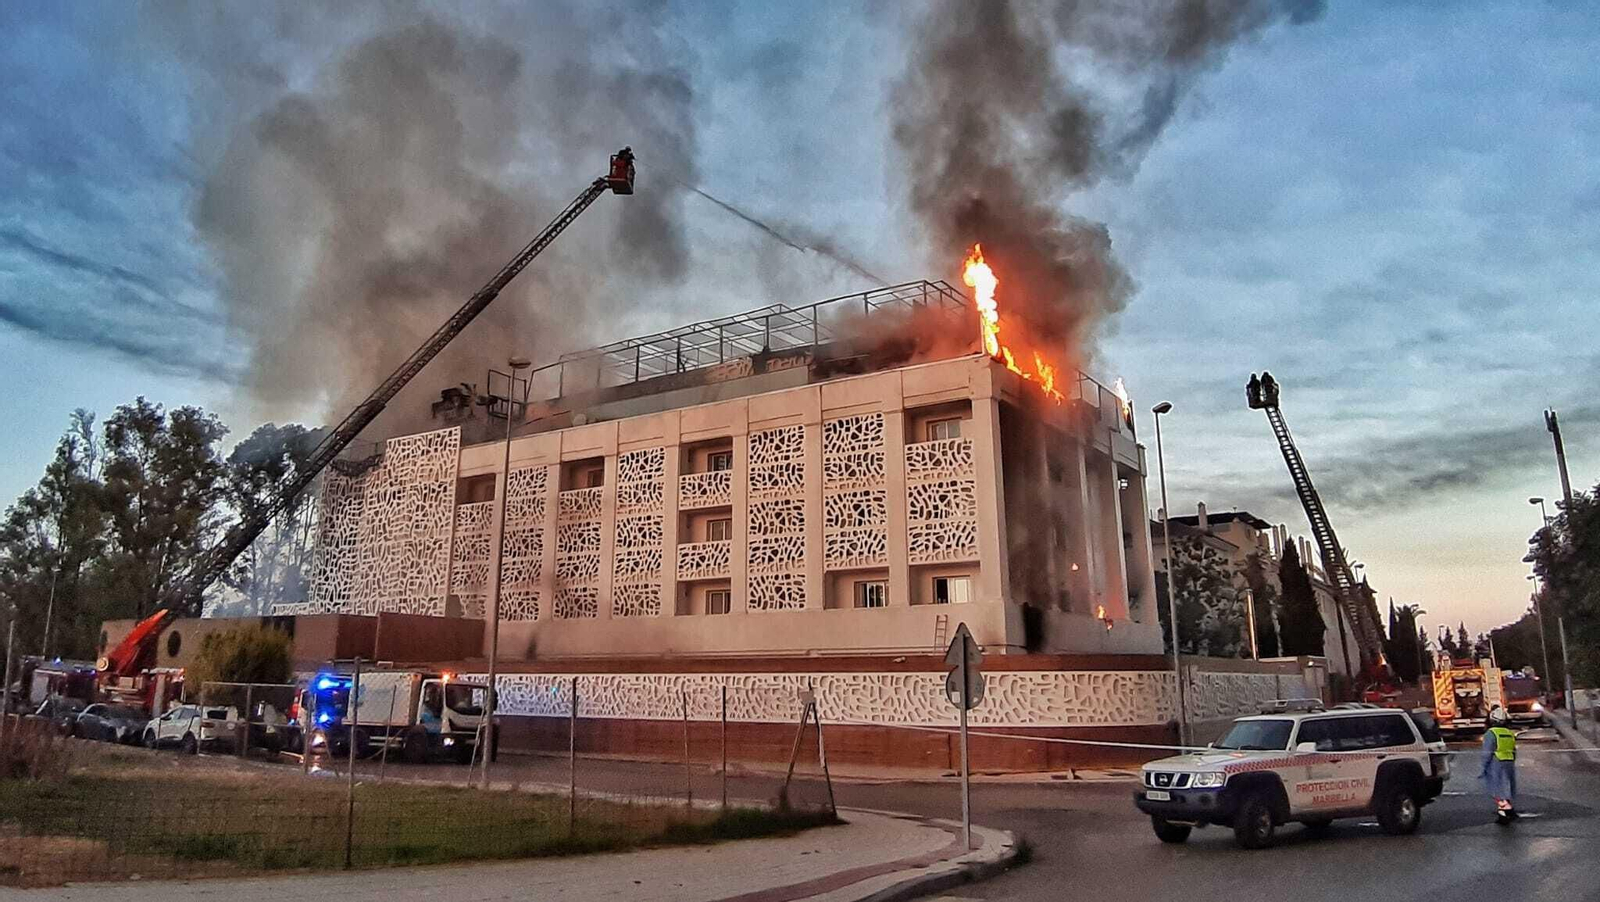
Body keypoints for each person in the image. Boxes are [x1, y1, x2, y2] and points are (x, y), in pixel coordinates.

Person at [1481, 706, 1518, 825]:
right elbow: (1513, 749)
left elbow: (1487, 751)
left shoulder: (1491, 733)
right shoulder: (1509, 733)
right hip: (1509, 762)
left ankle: (1503, 814)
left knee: (1497, 788)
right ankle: (1509, 810)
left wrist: (1483, 767)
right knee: (1506, 787)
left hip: (1496, 762)